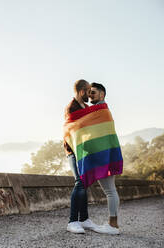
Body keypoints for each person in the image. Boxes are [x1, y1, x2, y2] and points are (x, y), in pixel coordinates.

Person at [64, 79, 99, 234]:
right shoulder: (71, 108)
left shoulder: (86, 107)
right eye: (88, 91)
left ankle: (84, 219)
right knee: (79, 182)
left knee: (84, 182)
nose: (90, 94)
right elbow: (72, 130)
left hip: (85, 151)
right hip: (73, 151)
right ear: (81, 91)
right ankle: (72, 221)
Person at [89, 83, 121, 235]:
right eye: (89, 92)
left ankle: (113, 225)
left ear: (102, 94)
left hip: (105, 156)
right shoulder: (101, 110)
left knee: (109, 190)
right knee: (110, 190)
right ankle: (112, 223)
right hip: (106, 155)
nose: (90, 95)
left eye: (93, 92)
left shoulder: (100, 111)